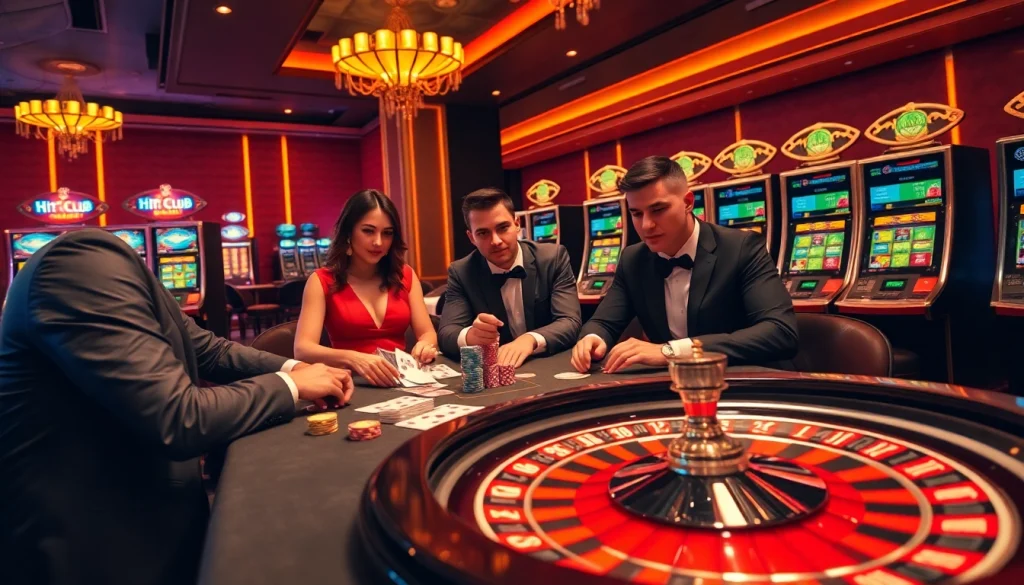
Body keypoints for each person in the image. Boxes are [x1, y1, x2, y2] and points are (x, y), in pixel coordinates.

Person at [0, 229, 353, 585]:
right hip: (93, 542)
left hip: (143, 512)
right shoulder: (77, 265)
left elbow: (208, 349)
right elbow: (179, 418)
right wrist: (291, 386)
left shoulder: (113, 267)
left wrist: (296, 368)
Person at [570, 155, 798, 373]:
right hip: (674, 385)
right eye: (637, 214)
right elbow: (604, 322)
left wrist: (672, 351)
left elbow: (780, 332)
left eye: (658, 210)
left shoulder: (741, 247)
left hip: (745, 382)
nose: (646, 225)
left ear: (688, 202)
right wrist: (592, 339)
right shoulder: (633, 260)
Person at [294, 189, 438, 387]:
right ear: (348, 233)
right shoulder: (321, 281)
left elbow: (427, 333)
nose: (378, 242)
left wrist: (425, 345)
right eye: (368, 231)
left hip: (401, 381)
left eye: (387, 233)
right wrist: (355, 358)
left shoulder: (405, 275)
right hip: (349, 384)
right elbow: (302, 349)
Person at [439, 188, 582, 367]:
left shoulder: (552, 258)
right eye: (483, 233)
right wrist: (471, 336)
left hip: (549, 364)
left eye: (503, 228)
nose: (496, 241)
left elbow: (570, 321)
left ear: (517, 224)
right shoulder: (462, 272)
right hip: (498, 371)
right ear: (471, 238)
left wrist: (529, 339)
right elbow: (446, 334)